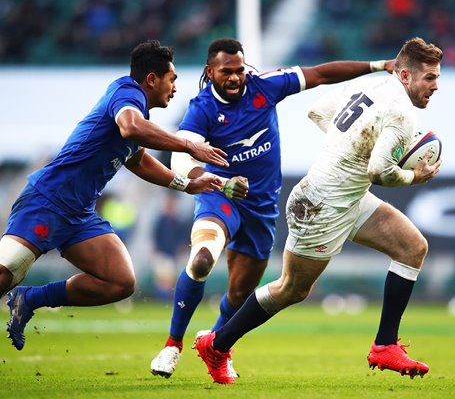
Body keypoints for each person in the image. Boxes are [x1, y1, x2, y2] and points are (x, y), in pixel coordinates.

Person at [193, 37, 443, 384]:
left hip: (348, 196)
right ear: (404, 75)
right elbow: (380, 172)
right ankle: (217, 345)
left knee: (412, 247)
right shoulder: (401, 113)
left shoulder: (373, 85)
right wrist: (415, 176)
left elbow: (318, 111)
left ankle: (385, 345)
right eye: (428, 77)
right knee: (291, 289)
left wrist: (350, 146)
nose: (435, 86)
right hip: (321, 205)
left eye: (437, 77)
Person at [150, 37, 397, 378]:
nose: (235, 78)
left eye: (239, 70)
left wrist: (378, 66)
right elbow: (179, 158)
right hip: (220, 196)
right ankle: (172, 346)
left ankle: (217, 346)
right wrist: (220, 183)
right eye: (226, 72)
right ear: (210, 71)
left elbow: (321, 74)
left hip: (261, 208)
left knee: (239, 293)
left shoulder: (264, 86)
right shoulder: (202, 108)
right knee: (203, 258)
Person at [0, 39, 232, 351]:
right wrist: (189, 145)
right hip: (48, 199)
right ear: (152, 79)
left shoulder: (139, 114)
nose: (175, 87)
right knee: (7, 270)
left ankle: (28, 299)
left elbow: (139, 161)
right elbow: (130, 129)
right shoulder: (126, 93)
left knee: (120, 281)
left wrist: (187, 184)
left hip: (79, 213)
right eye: (172, 79)